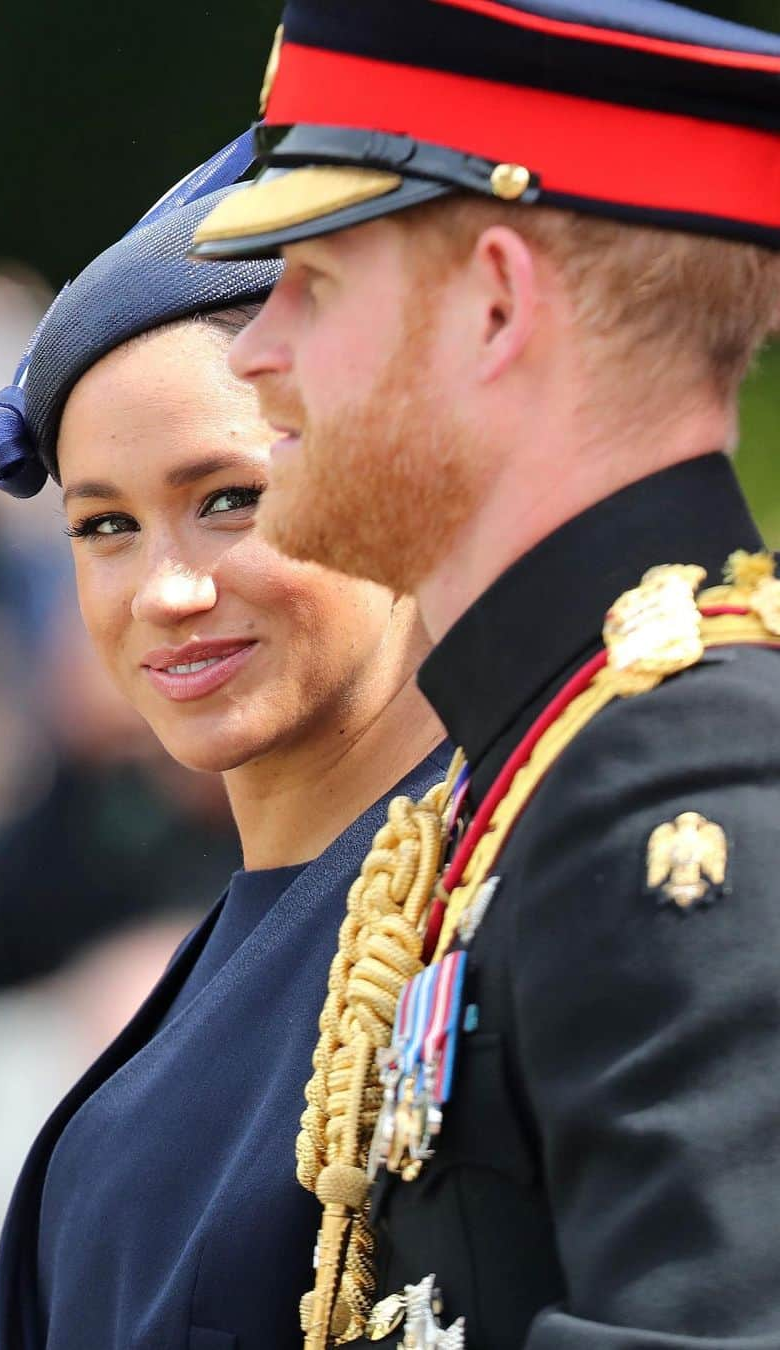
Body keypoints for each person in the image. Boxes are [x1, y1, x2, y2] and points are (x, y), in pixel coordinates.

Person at [190, 3, 780, 1348]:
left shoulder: (691, 775)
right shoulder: (549, 761)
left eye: (315, 284)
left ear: (500, 303)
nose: (251, 349)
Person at [0, 132, 450, 1350]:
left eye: (227, 499)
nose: (165, 591)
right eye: (106, 526)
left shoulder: (516, 898)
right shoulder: (238, 946)